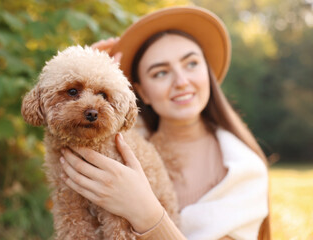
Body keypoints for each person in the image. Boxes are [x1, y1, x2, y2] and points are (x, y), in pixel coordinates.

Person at [59, 6, 270, 240]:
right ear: (142, 93)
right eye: (160, 73)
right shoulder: (119, 141)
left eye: (191, 64)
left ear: (207, 73)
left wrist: (146, 213)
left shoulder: (243, 169)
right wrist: (85, 74)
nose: (181, 81)